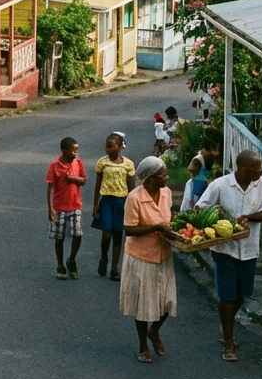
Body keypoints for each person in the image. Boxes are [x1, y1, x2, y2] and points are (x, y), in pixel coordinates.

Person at [195, 149, 262, 362]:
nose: (260, 172)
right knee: (227, 296)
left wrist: (249, 217)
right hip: (225, 250)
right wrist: (220, 221)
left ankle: (225, 322)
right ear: (244, 168)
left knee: (242, 294)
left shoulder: (261, 185)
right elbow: (200, 207)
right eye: (256, 169)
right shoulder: (220, 185)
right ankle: (229, 341)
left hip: (249, 249)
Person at [120, 156, 180, 364]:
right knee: (143, 305)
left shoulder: (166, 193)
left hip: (163, 254)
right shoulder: (134, 198)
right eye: (163, 174)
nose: (167, 177)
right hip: (141, 257)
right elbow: (129, 229)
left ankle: (154, 332)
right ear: (151, 178)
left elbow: (169, 221)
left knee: (166, 302)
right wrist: (155, 228)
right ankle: (142, 344)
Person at [92, 133, 135, 280]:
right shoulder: (102, 163)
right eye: (107, 146)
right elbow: (97, 185)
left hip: (121, 201)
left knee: (118, 235)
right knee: (106, 234)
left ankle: (114, 268)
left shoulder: (128, 164)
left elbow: (131, 187)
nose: (108, 149)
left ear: (119, 147)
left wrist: (131, 206)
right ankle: (104, 257)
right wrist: (95, 204)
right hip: (107, 201)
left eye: (111, 146)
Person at [46, 136, 87, 280]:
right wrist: (50, 208)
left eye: (76, 151)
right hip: (59, 207)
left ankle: (71, 259)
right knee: (59, 237)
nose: (75, 153)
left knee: (77, 233)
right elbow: (50, 188)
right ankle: (60, 264)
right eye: (73, 151)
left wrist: (74, 179)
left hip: (75, 204)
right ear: (64, 151)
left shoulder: (78, 163)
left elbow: (84, 180)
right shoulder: (54, 166)